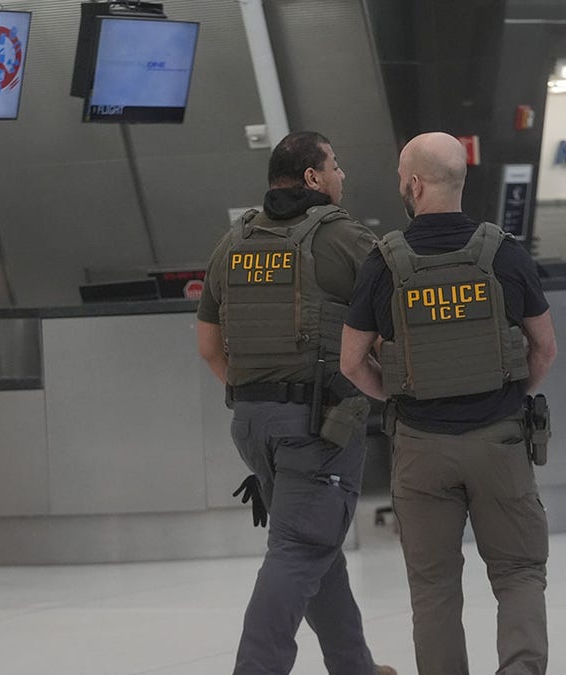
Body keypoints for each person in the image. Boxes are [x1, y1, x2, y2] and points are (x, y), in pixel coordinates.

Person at [340, 132, 558, 675]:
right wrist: (510, 398)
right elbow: (545, 347)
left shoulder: (383, 263)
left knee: (434, 588)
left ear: (413, 183)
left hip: (420, 449)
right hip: (501, 442)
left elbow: (351, 362)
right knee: (518, 573)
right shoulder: (504, 253)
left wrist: (402, 396)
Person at [197, 132, 396, 675]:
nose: (342, 175)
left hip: (253, 425)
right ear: (312, 177)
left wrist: (254, 394)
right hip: (318, 426)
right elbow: (393, 321)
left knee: (313, 544)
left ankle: (354, 667)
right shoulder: (342, 238)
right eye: (335, 164)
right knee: (299, 550)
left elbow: (208, 346)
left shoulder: (233, 241)